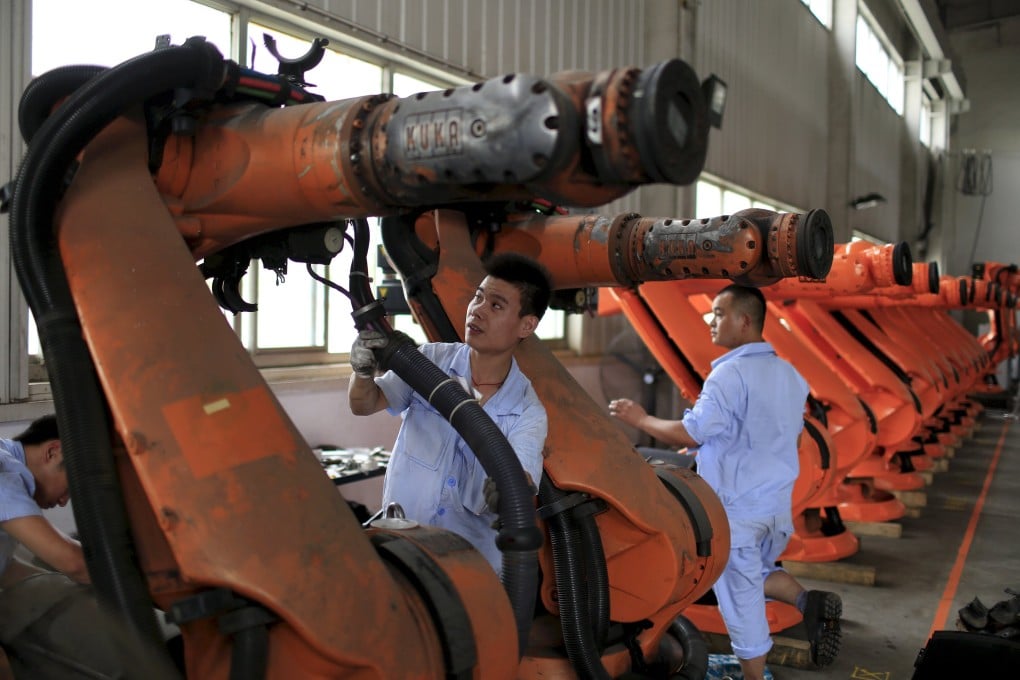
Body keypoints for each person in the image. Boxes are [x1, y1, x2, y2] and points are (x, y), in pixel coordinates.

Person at [609, 284, 842, 679]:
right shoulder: (789, 374)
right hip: (775, 507)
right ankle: (809, 603)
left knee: (740, 598)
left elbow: (692, 432)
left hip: (736, 511)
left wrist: (640, 419)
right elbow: (793, 437)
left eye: (718, 313)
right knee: (760, 571)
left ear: (744, 320)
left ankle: (753, 678)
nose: (710, 321)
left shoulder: (728, 376)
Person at [348, 253, 551, 574]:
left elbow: (522, 481)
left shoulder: (527, 411)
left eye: (496, 306)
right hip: (402, 547)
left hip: (472, 566)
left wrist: (508, 491)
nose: (478, 310)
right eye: (478, 297)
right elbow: (363, 404)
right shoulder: (428, 361)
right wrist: (361, 372)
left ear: (526, 325)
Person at [0, 415, 180, 679]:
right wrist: (165, 590)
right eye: (71, 489)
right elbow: (73, 562)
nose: (63, 503)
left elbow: (9, 567)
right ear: (53, 452)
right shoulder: (4, 472)